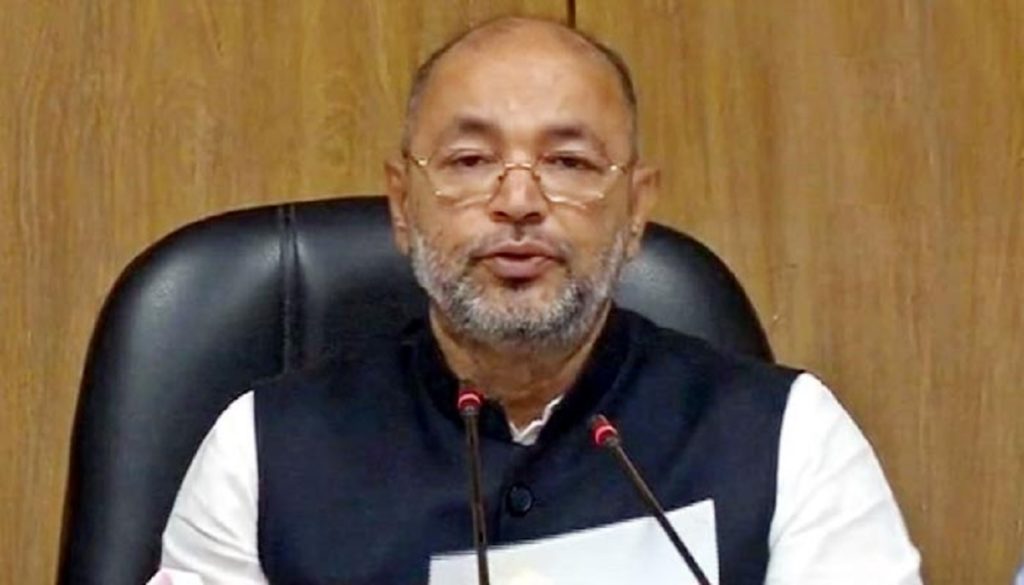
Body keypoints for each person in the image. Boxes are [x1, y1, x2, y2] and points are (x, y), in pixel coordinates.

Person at [156, 16, 922, 585]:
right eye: (469, 159)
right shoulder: (261, 451)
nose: (519, 200)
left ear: (636, 210)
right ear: (402, 204)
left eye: (569, 162)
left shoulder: (790, 437)